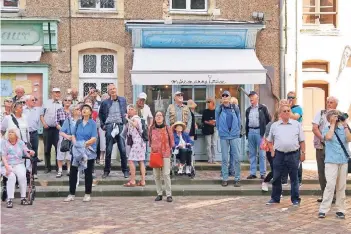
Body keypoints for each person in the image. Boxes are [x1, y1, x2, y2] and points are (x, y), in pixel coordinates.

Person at [266, 104, 305, 206]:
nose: (287, 113)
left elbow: (302, 141)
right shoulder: (275, 126)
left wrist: (303, 153)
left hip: (293, 154)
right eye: (285, 111)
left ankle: (295, 199)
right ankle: (275, 198)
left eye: (289, 111)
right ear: (280, 114)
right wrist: (272, 150)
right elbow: (269, 140)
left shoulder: (297, 124)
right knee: (276, 177)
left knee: (294, 178)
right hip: (279, 155)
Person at [318, 110, 351, 219]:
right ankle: (323, 209)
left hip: (343, 161)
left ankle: (340, 210)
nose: (337, 118)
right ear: (329, 118)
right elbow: (328, 137)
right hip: (331, 161)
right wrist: (332, 124)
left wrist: (345, 124)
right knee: (330, 185)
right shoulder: (326, 129)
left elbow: (349, 138)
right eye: (334, 116)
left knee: (341, 186)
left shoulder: (344, 128)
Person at [64, 104, 97, 202]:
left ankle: (87, 193)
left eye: (87, 109)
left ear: (90, 112)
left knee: (88, 173)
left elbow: (93, 138)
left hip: (88, 150)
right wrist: (76, 144)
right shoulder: (78, 122)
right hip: (77, 150)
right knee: (73, 172)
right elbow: (73, 135)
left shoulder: (93, 123)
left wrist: (83, 144)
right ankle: (71, 194)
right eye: (83, 109)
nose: (84, 110)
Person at [99, 84, 128, 178]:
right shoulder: (104, 103)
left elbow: (125, 112)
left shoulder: (123, 100)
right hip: (109, 126)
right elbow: (101, 115)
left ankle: (125, 171)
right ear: (108, 91)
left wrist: (125, 122)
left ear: (116, 89)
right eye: (110, 89)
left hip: (119, 125)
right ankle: (106, 171)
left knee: (123, 150)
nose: (113, 90)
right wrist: (103, 125)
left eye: (114, 88)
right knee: (108, 149)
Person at [312, 96, 338, 203]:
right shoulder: (321, 113)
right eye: (327, 102)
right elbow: (314, 128)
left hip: (335, 148)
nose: (329, 104)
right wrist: (323, 139)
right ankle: (324, 195)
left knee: (333, 172)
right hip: (322, 146)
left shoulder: (339, 115)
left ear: (336, 105)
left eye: (331, 102)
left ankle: (334, 196)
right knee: (322, 172)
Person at [1, 127, 35, 208]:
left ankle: (23, 198)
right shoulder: (4, 143)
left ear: (16, 134)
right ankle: (9, 199)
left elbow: (26, 151)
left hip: (18, 164)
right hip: (7, 164)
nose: (10, 134)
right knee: (11, 176)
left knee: (22, 176)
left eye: (12, 132)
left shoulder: (20, 142)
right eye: (9, 132)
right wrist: (7, 167)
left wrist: (31, 152)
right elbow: (3, 157)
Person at [215, 90, 242, 187]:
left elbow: (239, 120)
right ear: (221, 98)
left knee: (237, 158)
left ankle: (237, 178)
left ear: (230, 97)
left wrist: (238, 131)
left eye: (227, 95)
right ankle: (225, 178)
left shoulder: (235, 107)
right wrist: (221, 131)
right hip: (224, 136)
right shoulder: (219, 109)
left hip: (234, 135)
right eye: (223, 95)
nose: (225, 97)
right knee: (225, 158)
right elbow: (217, 122)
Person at [149, 111, 174, 202]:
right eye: (157, 116)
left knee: (166, 174)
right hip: (155, 154)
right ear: (154, 118)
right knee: (156, 175)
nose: (158, 117)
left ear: (163, 118)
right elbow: (149, 141)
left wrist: (169, 150)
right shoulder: (152, 129)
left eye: (160, 116)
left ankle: (168, 194)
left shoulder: (167, 128)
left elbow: (172, 141)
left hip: (166, 153)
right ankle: (159, 193)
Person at [245, 91, 271, 180]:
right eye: (250, 97)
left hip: (260, 132)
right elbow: (247, 121)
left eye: (252, 97)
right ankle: (252, 173)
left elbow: (268, 119)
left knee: (262, 154)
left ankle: (263, 173)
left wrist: (264, 131)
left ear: (257, 98)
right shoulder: (248, 110)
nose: (251, 99)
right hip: (251, 131)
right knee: (252, 153)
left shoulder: (263, 108)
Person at [282, 91, 304, 186]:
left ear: (295, 99)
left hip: (296, 136)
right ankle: (284, 179)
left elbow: (295, 117)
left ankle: (298, 180)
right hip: (285, 136)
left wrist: (288, 109)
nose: (290, 99)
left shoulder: (298, 108)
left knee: (296, 159)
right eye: (289, 97)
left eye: (292, 97)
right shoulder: (285, 108)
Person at [122, 105, 146, 187]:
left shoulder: (135, 118)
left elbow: (135, 124)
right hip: (141, 143)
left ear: (135, 111)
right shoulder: (137, 118)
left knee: (131, 160)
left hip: (137, 143)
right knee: (141, 161)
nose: (130, 110)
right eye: (129, 109)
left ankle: (132, 181)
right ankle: (143, 181)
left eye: (132, 109)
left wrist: (127, 119)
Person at [40, 87, 62, 173]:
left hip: (57, 130)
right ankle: (47, 167)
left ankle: (58, 167)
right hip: (47, 129)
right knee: (47, 149)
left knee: (58, 148)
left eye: (59, 93)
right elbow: (41, 115)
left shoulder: (61, 103)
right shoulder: (46, 103)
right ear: (52, 93)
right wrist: (44, 123)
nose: (57, 94)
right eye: (56, 93)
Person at [58, 104, 81, 178]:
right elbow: (61, 132)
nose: (79, 110)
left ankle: (74, 171)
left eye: (79, 109)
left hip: (79, 143)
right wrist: (67, 136)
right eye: (77, 109)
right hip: (70, 142)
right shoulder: (68, 120)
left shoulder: (82, 120)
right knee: (66, 156)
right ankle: (62, 170)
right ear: (73, 111)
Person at [23, 95, 42, 178]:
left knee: (34, 152)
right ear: (27, 101)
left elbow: (39, 121)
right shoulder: (22, 110)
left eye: (35, 100)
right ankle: (25, 172)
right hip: (25, 134)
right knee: (25, 152)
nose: (34, 101)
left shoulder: (37, 110)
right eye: (32, 100)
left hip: (34, 133)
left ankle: (34, 173)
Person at [261, 111, 279, 192]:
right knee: (275, 169)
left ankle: (277, 189)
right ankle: (265, 182)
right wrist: (272, 150)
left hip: (280, 150)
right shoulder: (270, 124)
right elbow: (268, 138)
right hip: (270, 149)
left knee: (278, 170)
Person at [55, 96, 72, 178]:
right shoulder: (59, 111)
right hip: (62, 134)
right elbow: (56, 123)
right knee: (60, 151)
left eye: (69, 100)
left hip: (71, 134)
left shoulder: (73, 111)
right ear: (63, 101)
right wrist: (63, 130)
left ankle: (69, 170)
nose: (67, 101)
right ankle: (60, 170)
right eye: (65, 100)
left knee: (69, 153)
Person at [136, 92, 153, 166]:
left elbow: (151, 117)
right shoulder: (133, 107)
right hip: (135, 129)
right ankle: (136, 165)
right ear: (138, 99)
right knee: (135, 147)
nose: (142, 102)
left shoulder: (147, 107)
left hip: (144, 128)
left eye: (143, 100)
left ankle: (144, 166)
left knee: (144, 148)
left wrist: (150, 126)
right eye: (141, 100)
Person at [202, 98, 217, 164]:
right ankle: (209, 158)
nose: (207, 103)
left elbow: (220, 120)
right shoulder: (205, 111)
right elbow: (203, 120)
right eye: (207, 102)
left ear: (213, 103)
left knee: (214, 144)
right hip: (207, 129)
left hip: (214, 129)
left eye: (209, 102)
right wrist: (209, 122)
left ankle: (214, 158)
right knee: (208, 145)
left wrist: (214, 122)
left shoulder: (216, 111)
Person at [96, 93, 109, 165]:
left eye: (107, 98)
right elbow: (99, 117)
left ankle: (107, 158)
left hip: (110, 125)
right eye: (104, 98)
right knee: (102, 142)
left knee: (109, 142)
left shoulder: (111, 105)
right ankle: (101, 156)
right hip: (102, 126)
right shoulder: (100, 106)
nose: (106, 99)